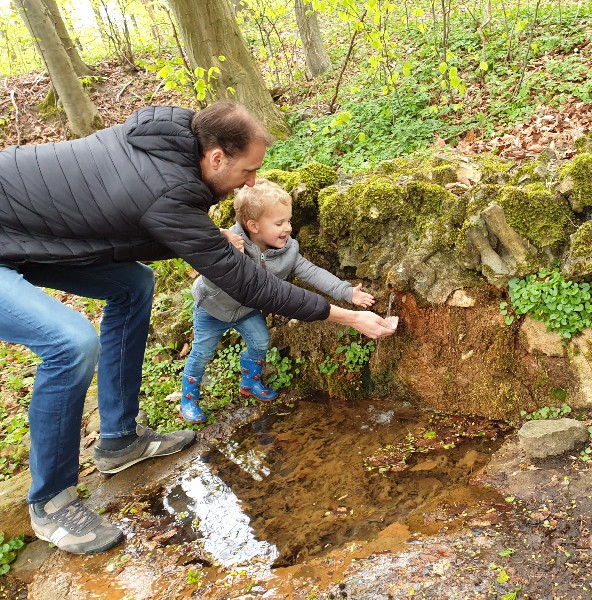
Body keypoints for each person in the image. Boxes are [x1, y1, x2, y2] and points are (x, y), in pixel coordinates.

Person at [0, 101, 398, 556]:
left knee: (133, 284)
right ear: (216, 158)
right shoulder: (165, 189)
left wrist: (208, 240)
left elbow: (133, 221)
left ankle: (118, 441)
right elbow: (250, 284)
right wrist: (345, 315)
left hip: (28, 233)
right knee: (71, 342)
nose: (251, 181)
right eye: (248, 171)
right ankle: (51, 502)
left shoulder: (178, 143)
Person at [180, 180, 376, 423]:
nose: (288, 228)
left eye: (289, 221)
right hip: (212, 309)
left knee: (261, 340)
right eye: (279, 223)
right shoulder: (230, 243)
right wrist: (224, 248)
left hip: (247, 311)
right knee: (202, 352)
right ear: (253, 226)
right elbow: (200, 256)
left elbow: (312, 272)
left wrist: (347, 292)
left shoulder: (288, 251)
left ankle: (250, 381)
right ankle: (189, 398)